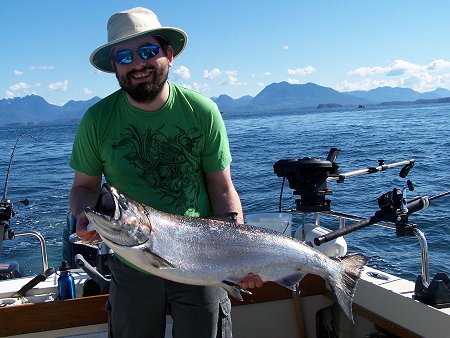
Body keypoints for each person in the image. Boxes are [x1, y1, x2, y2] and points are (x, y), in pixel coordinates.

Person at [69, 7, 262, 338]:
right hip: (131, 266)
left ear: (168, 55)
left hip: (204, 261)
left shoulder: (202, 112)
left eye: (147, 51)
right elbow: (84, 187)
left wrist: (237, 253)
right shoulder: (97, 120)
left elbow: (222, 188)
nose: (138, 64)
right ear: (114, 66)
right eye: (124, 56)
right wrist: (85, 215)